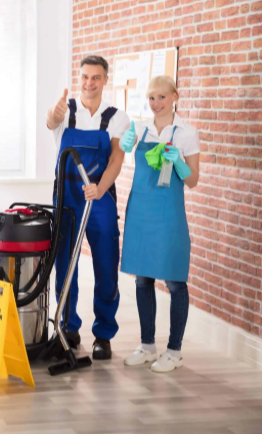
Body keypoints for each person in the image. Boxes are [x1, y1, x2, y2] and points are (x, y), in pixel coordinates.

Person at [46, 55, 130, 360]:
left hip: (99, 194)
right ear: (78, 77)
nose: (89, 83)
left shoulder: (117, 117)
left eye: (95, 77)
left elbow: (117, 158)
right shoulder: (65, 110)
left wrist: (100, 188)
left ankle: (103, 334)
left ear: (105, 80)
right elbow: (50, 121)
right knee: (65, 263)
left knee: (106, 264)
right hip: (67, 197)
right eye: (84, 77)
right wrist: (53, 114)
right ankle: (67, 327)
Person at [120, 75, 200, 373]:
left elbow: (192, 180)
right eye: (151, 98)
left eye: (162, 97)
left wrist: (179, 162)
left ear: (175, 96)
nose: (156, 104)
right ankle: (148, 345)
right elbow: (125, 156)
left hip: (168, 214)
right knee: (143, 279)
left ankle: (175, 351)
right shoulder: (139, 129)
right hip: (141, 210)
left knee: (175, 280)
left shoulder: (187, 133)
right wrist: (125, 144)